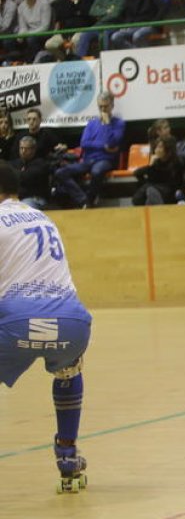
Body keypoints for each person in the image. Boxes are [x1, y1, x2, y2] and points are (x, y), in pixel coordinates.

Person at [0, 161, 93, 492]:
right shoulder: (43, 217)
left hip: (19, 322)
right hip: (72, 323)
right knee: (68, 370)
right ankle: (67, 455)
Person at [54, 91, 123, 209]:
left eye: (105, 106)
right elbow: (84, 143)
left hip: (105, 160)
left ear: (112, 105)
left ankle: (89, 200)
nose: (103, 109)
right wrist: (102, 146)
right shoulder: (92, 123)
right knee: (61, 172)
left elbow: (112, 143)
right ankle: (84, 200)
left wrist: (107, 125)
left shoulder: (119, 123)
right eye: (100, 106)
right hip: (88, 160)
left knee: (96, 172)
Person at [132, 136, 183, 206]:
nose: (157, 150)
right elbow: (137, 173)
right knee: (147, 192)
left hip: (169, 191)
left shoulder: (177, 162)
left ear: (168, 149)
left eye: (160, 147)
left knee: (151, 191)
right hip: (154, 189)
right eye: (156, 147)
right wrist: (151, 166)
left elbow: (175, 183)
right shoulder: (156, 162)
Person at [14, 136, 53, 209]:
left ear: (33, 150)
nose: (23, 151)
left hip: (34, 199)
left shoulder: (42, 164)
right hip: (16, 199)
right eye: (21, 148)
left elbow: (25, 177)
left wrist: (14, 174)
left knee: (22, 209)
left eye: (26, 149)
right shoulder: (16, 163)